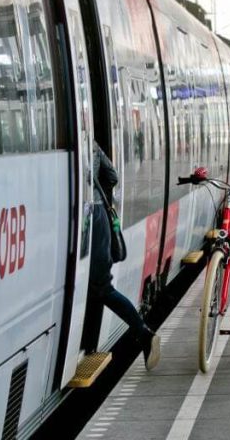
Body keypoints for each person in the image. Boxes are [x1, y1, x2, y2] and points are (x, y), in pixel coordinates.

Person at [86, 140, 160, 370]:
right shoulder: (91, 143)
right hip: (99, 217)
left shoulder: (78, 143)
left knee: (101, 288)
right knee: (99, 287)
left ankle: (144, 333)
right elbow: (112, 175)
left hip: (92, 222)